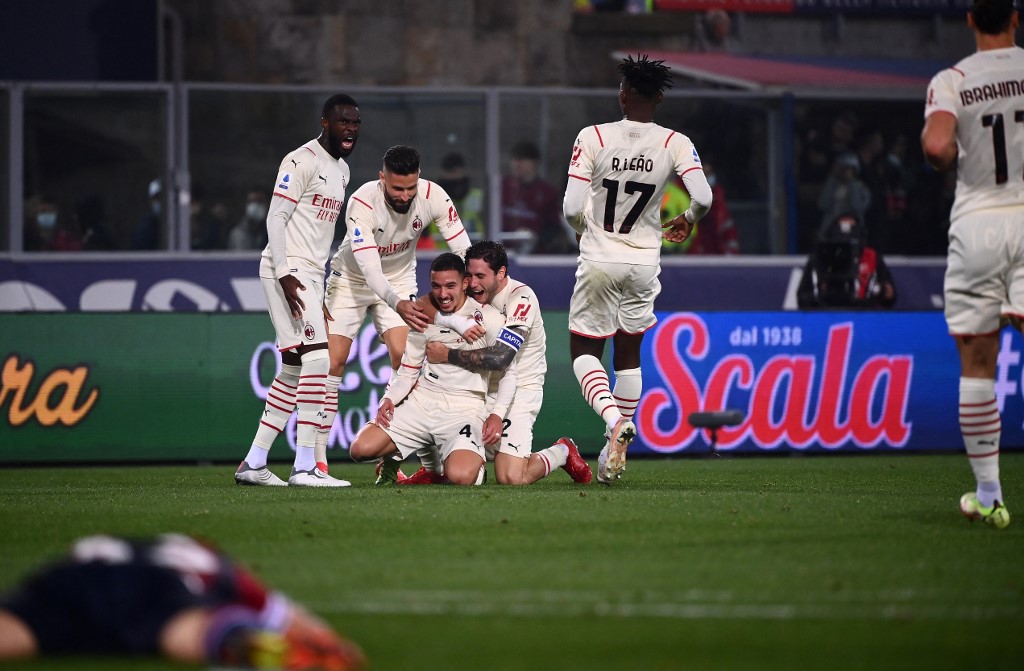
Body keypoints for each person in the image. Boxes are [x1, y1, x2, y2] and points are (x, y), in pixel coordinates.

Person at [562, 53, 711, 484]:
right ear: (660, 99)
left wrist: (581, 230)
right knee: (629, 353)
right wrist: (689, 219)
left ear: (623, 94)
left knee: (584, 351)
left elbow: (572, 207)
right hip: (645, 262)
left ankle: (612, 422)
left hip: (599, 258)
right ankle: (614, 452)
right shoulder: (674, 143)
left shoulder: (591, 136)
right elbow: (703, 197)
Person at [921, 0, 1022, 530]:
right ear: (1015, 18)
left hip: (980, 221)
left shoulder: (954, 79)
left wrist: (951, 155)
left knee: (978, 362)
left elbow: (938, 146)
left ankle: (988, 494)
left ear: (968, 21)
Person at [315, 145, 473, 475]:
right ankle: (318, 463)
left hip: (400, 279)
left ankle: (404, 461)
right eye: (396, 188)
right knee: (332, 362)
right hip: (351, 280)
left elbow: (462, 249)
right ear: (381, 178)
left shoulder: (434, 196)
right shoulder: (361, 202)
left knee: (405, 358)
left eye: (410, 188)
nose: (404, 195)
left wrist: (478, 285)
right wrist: (397, 303)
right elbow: (370, 268)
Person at [234, 93, 362, 488]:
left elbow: (319, 234)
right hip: (285, 270)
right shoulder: (299, 160)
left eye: (355, 123)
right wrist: (287, 271)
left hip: (310, 275)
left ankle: (254, 462)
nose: (350, 129)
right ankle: (305, 465)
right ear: (325, 122)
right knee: (319, 361)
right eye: (342, 122)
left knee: (294, 366)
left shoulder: (341, 171)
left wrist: (316, 285)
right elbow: (277, 217)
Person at [0, 533, 365, 670]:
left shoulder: (125, 548)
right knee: (188, 630)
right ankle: (248, 648)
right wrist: (328, 638)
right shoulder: (212, 565)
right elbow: (284, 614)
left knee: (19, 631)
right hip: (157, 589)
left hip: (70, 578)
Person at [409, 240, 593, 486]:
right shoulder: (469, 291)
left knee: (511, 477)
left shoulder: (521, 298)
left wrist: (448, 355)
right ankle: (435, 469)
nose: (473, 283)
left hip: (519, 387)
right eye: (470, 275)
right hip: (477, 385)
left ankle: (562, 451)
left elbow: (500, 358)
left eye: (480, 276)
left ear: (501, 273)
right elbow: (423, 305)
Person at [347, 253, 514, 486]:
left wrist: (496, 413)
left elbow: (509, 371)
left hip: (464, 408)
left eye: (450, 286)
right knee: (359, 449)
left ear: (465, 283)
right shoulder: (423, 317)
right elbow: (408, 371)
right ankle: (393, 462)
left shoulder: (489, 317)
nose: (443, 294)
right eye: (436, 286)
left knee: (461, 477)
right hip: (422, 401)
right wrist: (388, 399)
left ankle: (475, 467)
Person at [796, 212, 897, 309]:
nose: (846, 239)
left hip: (864, 314)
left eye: (852, 232)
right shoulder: (820, 256)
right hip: (827, 313)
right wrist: (821, 290)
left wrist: (881, 291)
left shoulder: (872, 256)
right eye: (841, 233)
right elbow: (802, 298)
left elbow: (890, 298)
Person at [501, 141, 574, 254]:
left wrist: (536, 237)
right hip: (502, 251)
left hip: (534, 256)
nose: (516, 164)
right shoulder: (502, 187)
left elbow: (554, 227)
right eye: (514, 159)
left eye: (521, 160)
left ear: (533, 163)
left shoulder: (547, 192)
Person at [816, 151, 872, 236]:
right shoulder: (832, 185)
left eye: (848, 168)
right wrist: (832, 178)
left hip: (852, 228)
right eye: (842, 168)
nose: (845, 171)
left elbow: (857, 206)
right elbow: (822, 205)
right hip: (830, 228)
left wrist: (852, 184)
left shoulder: (861, 189)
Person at [130, 178, 163, 250]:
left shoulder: (182, 225)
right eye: (156, 198)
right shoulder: (144, 228)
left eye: (162, 197)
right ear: (150, 201)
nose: (160, 202)